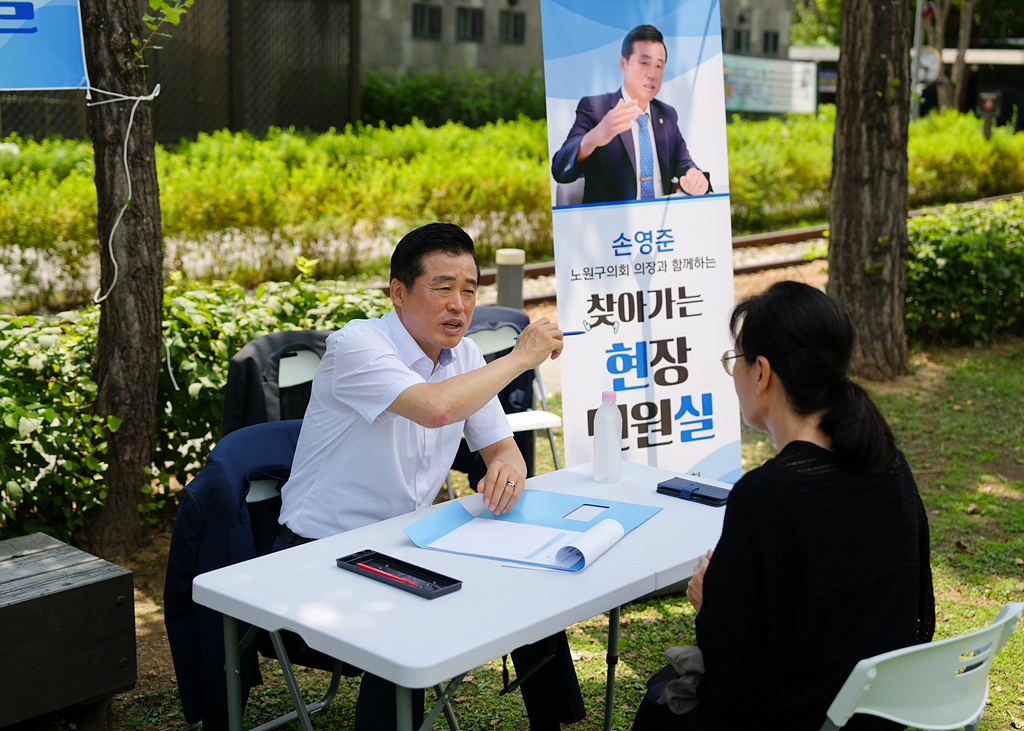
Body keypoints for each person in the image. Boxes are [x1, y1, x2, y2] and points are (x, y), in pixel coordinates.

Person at [275, 222, 586, 731]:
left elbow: (502, 447)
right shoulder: (358, 345)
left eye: (469, 290)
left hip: (405, 543)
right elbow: (437, 409)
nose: (459, 305)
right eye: (442, 288)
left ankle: (554, 723)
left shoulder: (462, 355)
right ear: (397, 293)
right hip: (319, 550)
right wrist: (521, 357)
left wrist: (507, 471)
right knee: (407, 621)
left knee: (530, 580)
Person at [632, 281, 935, 731]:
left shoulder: (767, 494)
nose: (733, 374)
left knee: (659, 706)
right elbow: (919, 617)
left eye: (735, 360)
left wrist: (708, 598)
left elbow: (733, 678)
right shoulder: (890, 465)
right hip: (875, 711)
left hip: (796, 714)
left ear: (762, 373)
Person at [551, 24, 709, 205]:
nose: (652, 74)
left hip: (661, 227)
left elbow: (684, 165)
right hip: (614, 226)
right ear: (623, 64)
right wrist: (593, 137)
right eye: (644, 63)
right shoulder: (596, 109)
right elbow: (559, 170)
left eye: (659, 66)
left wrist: (694, 177)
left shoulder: (667, 115)